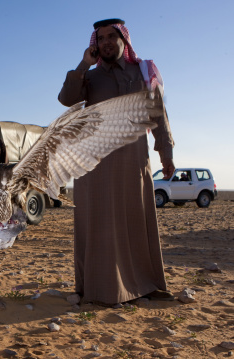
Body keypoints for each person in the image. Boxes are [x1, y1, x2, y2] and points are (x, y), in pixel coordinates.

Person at [57, 19, 175, 305]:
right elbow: (66, 98)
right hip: (94, 163)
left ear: (125, 40)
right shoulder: (90, 77)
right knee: (97, 222)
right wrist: (84, 65)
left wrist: (166, 152)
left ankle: (142, 284)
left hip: (134, 158)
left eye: (112, 36)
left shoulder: (144, 71)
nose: (106, 42)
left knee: (135, 218)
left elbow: (158, 114)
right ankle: (100, 288)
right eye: (101, 38)